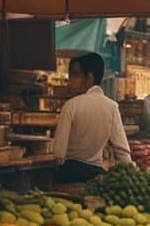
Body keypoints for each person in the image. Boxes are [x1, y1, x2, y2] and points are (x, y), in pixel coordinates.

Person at [54, 52, 133, 182]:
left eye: (75, 74)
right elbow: (123, 151)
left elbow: (59, 152)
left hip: (69, 174)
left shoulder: (71, 105)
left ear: (89, 78)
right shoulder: (112, 107)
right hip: (96, 177)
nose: (70, 80)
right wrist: (131, 178)